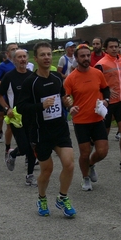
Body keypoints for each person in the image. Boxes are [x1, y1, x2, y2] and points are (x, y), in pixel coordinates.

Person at [17, 41, 76, 218]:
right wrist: (40, 106)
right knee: (47, 170)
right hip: (40, 132)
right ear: (36, 58)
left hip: (60, 128)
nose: (47, 57)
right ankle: (42, 197)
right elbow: (20, 107)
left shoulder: (57, 78)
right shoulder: (30, 82)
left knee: (69, 164)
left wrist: (67, 102)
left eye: (49, 54)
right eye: (43, 55)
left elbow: (63, 96)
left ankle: (62, 198)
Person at [64, 44, 110, 191]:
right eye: (82, 56)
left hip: (97, 119)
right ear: (76, 58)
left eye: (87, 55)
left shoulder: (97, 73)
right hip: (81, 121)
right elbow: (65, 97)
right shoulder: (71, 79)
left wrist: (106, 101)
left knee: (102, 151)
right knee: (84, 153)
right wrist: (70, 107)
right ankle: (85, 178)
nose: (85, 58)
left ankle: (90, 165)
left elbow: (106, 89)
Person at [0, 49, 37, 186]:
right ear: (14, 60)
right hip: (16, 118)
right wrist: (6, 108)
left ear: (27, 59)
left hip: (31, 116)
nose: (22, 59)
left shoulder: (33, 75)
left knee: (33, 146)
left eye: (24, 57)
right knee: (25, 147)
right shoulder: (9, 77)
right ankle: (13, 154)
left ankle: (30, 176)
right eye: (19, 57)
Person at [95, 37, 121, 172]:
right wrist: (108, 91)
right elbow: (95, 81)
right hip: (108, 102)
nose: (114, 49)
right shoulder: (101, 64)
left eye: (117, 46)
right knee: (104, 132)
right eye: (111, 47)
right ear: (106, 49)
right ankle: (94, 157)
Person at [0, 43, 18, 147]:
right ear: (7, 53)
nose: (15, 50)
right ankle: (8, 147)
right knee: (10, 126)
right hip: (8, 99)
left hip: (22, 98)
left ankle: (26, 149)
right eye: (13, 49)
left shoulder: (22, 63)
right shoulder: (3, 66)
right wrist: (8, 85)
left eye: (17, 48)